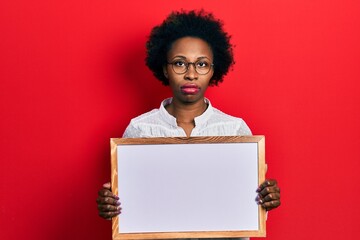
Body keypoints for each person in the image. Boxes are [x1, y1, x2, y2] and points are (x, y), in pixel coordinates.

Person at [96, 10, 281, 239]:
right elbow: (129, 207)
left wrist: (264, 200)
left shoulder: (235, 130)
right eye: (179, 63)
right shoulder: (139, 130)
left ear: (213, 70)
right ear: (165, 69)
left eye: (202, 64)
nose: (191, 74)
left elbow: (248, 211)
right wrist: (112, 207)